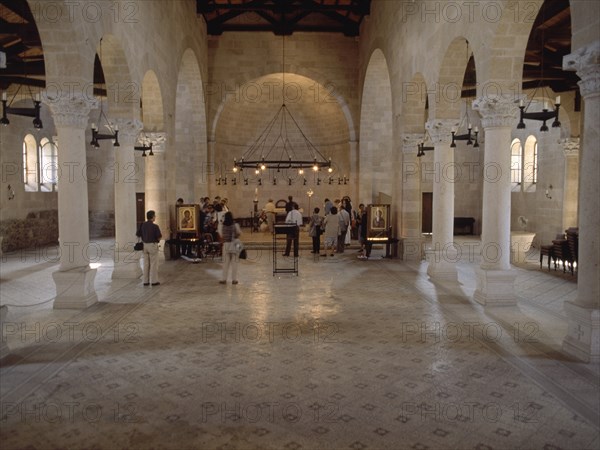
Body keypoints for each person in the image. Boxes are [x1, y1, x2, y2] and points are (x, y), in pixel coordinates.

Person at [137, 210, 162, 286]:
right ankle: (154, 281)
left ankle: (145, 281)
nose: (155, 217)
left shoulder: (142, 225)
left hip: (145, 245)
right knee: (154, 264)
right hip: (152, 245)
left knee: (146, 263)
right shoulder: (155, 226)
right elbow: (159, 236)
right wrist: (157, 240)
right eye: (154, 216)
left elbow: (138, 234)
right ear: (152, 217)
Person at [220, 211, 241, 284]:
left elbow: (221, 235)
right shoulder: (235, 225)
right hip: (234, 244)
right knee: (234, 263)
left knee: (225, 263)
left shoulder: (222, 225)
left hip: (226, 244)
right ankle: (234, 280)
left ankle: (224, 279)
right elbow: (239, 233)